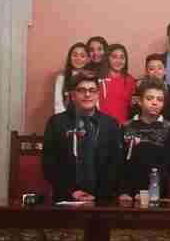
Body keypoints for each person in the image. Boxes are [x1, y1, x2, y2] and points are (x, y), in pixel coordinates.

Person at [42, 74, 122, 203]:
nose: (87, 94)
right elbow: (49, 163)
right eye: (81, 90)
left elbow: (115, 164)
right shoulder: (57, 123)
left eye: (92, 90)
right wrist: (70, 191)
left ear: (98, 95)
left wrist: (100, 194)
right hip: (65, 197)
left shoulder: (110, 124)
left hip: (102, 199)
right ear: (72, 95)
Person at [119, 79, 170, 204]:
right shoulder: (126, 127)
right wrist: (124, 192)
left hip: (159, 193)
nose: (155, 102)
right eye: (149, 98)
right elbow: (120, 163)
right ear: (140, 101)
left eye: (159, 99)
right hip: (130, 194)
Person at [129, 53, 170, 125]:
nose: (156, 71)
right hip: (142, 127)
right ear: (146, 72)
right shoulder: (139, 88)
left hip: (165, 128)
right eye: (151, 69)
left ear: (165, 71)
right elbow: (134, 114)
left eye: (159, 68)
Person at [97, 43, 136, 125]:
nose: (118, 61)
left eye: (122, 57)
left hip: (122, 125)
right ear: (107, 58)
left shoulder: (130, 80)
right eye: (114, 57)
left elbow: (132, 106)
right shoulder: (99, 78)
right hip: (100, 124)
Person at [54, 42, 90, 114]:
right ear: (69, 57)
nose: (78, 58)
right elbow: (58, 103)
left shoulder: (91, 77)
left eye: (82, 56)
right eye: (75, 55)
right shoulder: (62, 77)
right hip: (67, 117)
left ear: (88, 59)